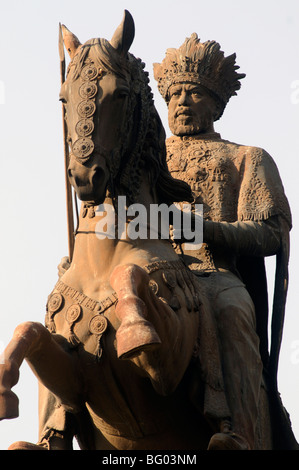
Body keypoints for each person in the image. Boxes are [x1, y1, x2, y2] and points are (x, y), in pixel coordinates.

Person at [153, 33, 294, 450]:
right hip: (149, 267)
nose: (181, 102)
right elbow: (117, 216)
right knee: (75, 305)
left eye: (194, 93)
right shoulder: (146, 156)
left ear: (216, 103)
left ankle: (244, 434)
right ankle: (57, 428)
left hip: (214, 273)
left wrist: (207, 229)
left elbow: (271, 231)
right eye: (175, 94)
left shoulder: (245, 157)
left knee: (233, 313)